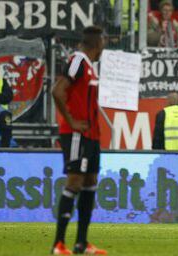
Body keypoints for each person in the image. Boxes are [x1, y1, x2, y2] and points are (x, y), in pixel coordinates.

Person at [51, 26, 107, 255]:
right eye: (103, 42)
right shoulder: (78, 61)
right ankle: (58, 244)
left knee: (90, 182)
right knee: (74, 182)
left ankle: (81, 243)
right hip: (77, 133)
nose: (104, 46)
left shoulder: (90, 67)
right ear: (98, 43)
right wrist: (71, 121)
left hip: (91, 135)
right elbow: (57, 90)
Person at [0, 66, 13, 148]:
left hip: (1, 111)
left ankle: (5, 148)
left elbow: (9, 96)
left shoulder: (3, 82)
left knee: (6, 120)